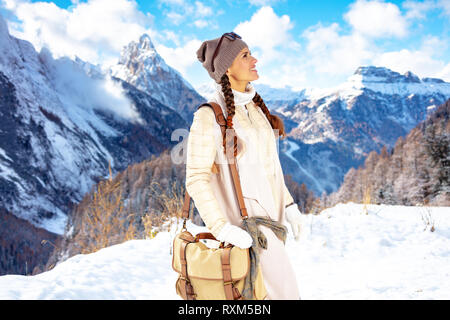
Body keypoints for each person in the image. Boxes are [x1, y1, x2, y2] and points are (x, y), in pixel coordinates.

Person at [185, 32, 303, 300]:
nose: (255, 59)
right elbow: (195, 178)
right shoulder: (209, 116)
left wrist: (289, 206)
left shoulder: (257, 110)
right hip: (246, 229)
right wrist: (221, 228)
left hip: (272, 226)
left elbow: (270, 167)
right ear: (227, 67)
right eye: (245, 55)